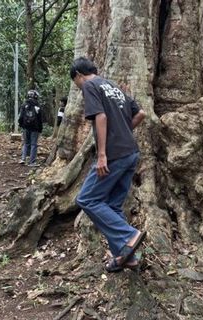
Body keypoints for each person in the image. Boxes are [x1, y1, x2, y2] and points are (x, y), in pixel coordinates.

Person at [71, 57, 147, 272]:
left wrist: (102, 154)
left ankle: (129, 235)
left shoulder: (89, 85)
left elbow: (101, 117)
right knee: (113, 206)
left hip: (114, 155)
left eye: (75, 82)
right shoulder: (111, 85)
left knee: (87, 199)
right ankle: (126, 257)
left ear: (78, 75)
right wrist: (123, 131)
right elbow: (140, 113)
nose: (77, 87)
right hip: (130, 152)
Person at [18, 89, 44, 166]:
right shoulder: (37, 106)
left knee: (25, 143)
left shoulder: (24, 105)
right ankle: (32, 162)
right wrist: (40, 129)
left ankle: (23, 159)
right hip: (35, 128)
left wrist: (21, 125)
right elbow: (40, 119)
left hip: (25, 127)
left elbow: (21, 117)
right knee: (33, 144)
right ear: (36, 96)